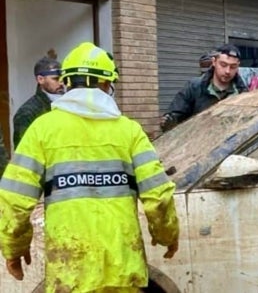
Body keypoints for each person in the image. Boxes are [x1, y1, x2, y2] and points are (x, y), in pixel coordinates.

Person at [0, 42, 179, 292]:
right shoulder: (129, 131)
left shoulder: (42, 130)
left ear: (68, 82)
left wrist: (14, 248)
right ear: (107, 84)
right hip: (122, 270)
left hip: (70, 270)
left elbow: (14, 199)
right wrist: (166, 235)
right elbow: (158, 196)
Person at [161, 44, 248, 131]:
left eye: (233, 67)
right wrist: (170, 121)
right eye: (223, 65)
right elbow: (176, 116)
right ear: (214, 62)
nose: (227, 71)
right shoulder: (194, 87)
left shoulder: (243, 94)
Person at [12, 57, 64, 148]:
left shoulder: (69, 104)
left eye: (63, 79)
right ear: (40, 79)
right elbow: (23, 150)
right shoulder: (28, 112)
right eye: (56, 79)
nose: (61, 83)